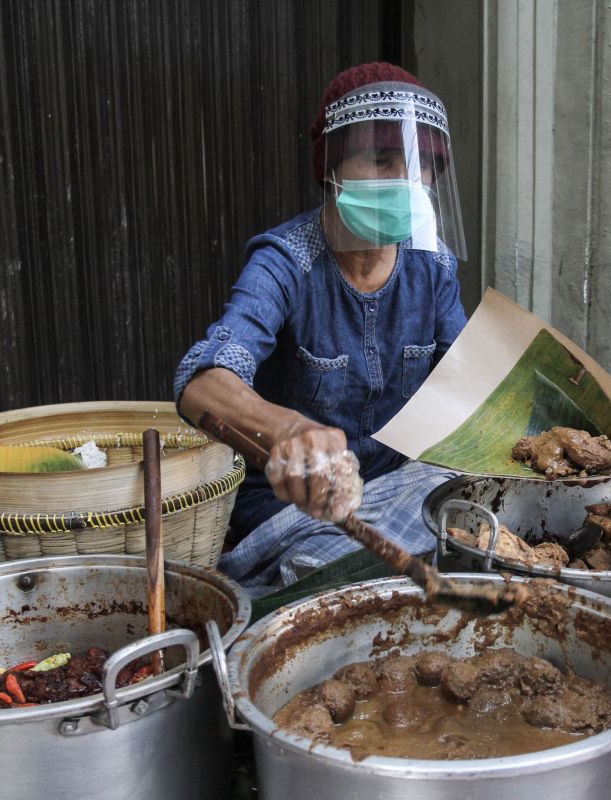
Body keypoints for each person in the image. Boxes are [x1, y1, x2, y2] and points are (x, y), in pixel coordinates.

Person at [175, 63, 468, 596]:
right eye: (382, 159)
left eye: (421, 165)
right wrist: (287, 431)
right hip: (297, 512)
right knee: (350, 581)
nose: (406, 181)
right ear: (332, 166)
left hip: (404, 492)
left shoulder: (434, 268)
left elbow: (467, 389)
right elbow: (200, 383)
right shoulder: (284, 263)